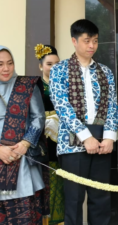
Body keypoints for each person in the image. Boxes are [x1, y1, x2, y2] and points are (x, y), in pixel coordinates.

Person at [49, 19, 118, 225]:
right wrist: (85, 137)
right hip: (71, 143)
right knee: (74, 200)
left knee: (101, 198)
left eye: (95, 41)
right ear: (74, 41)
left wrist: (109, 138)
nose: (91, 46)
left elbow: (112, 106)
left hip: (102, 142)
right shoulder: (59, 70)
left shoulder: (105, 72)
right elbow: (61, 106)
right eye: (87, 40)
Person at [0, 46, 48, 224]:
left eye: (10, 63)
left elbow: (38, 117)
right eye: (0, 64)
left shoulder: (26, 86)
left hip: (22, 160)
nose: (6, 68)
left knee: (25, 214)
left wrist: (25, 144)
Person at [34, 43, 65, 225]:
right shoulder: (34, 86)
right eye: (49, 64)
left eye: (57, 64)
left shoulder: (65, 85)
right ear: (40, 66)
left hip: (63, 141)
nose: (54, 68)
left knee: (62, 186)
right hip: (42, 140)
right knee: (45, 186)